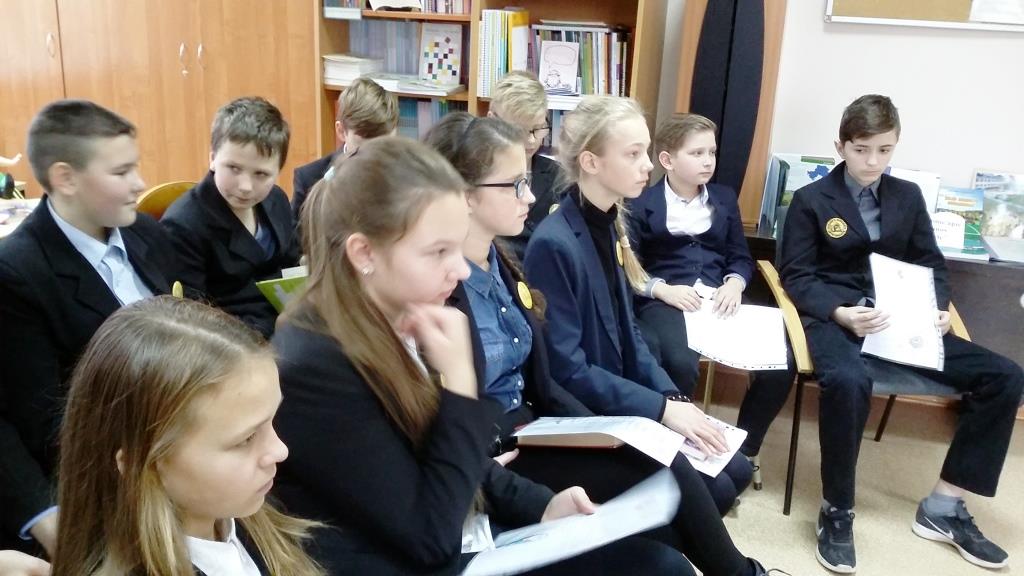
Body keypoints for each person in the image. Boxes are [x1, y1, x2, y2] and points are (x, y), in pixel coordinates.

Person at [271, 136, 692, 575]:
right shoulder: (316, 362)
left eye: (457, 248)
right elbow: (430, 537)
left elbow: (448, 454)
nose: (459, 270)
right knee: (656, 568)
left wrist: (543, 505)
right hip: (401, 557)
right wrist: (460, 386)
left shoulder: (400, 311)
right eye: (438, 252)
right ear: (364, 253)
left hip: (448, 526)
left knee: (657, 556)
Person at [426, 111, 781, 576]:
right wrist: (637, 420)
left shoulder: (500, 260)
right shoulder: (452, 282)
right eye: (515, 185)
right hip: (503, 448)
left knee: (691, 491)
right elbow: (460, 410)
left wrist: (617, 429)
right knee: (673, 490)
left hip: (536, 425)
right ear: (465, 195)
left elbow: (562, 370)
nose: (530, 196)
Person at [779, 94, 1023, 573]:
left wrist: (936, 308)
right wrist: (841, 313)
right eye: (861, 149)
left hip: (902, 320)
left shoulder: (907, 197)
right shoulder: (810, 201)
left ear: (895, 147)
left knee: (1006, 376)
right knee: (848, 380)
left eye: (884, 150)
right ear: (840, 146)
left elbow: (930, 262)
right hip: (837, 319)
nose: (873, 161)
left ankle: (944, 507)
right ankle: (837, 510)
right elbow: (797, 275)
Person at [523, 95, 754, 515]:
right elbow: (568, 371)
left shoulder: (610, 220)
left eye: (646, 152)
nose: (648, 165)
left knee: (735, 469)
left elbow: (628, 333)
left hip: (622, 390)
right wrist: (659, 410)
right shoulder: (555, 244)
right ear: (591, 162)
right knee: (717, 489)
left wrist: (671, 398)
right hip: (588, 410)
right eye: (633, 154)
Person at [0, 100, 180, 556]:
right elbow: (43, 422)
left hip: (181, 432)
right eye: (121, 172)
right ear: (66, 178)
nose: (140, 183)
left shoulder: (145, 234)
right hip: (110, 469)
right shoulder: (19, 273)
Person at [52, 296, 323, 575]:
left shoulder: (242, 518)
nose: (280, 450)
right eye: (246, 439)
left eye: (272, 420)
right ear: (139, 465)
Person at [628, 112, 794, 461]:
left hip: (718, 297)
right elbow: (630, 267)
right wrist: (662, 289)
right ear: (667, 160)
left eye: (712, 152)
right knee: (679, 361)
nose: (708, 161)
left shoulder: (723, 197)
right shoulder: (641, 204)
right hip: (668, 300)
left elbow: (740, 256)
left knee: (781, 362)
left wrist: (735, 283)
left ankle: (745, 449)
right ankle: (678, 445)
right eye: (697, 153)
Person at [162, 96, 300, 338]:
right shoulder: (183, 225)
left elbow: (290, 264)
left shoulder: (276, 199)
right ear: (212, 159)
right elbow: (192, 318)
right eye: (233, 168)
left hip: (288, 321)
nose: (245, 186)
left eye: (261, 174)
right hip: (234, 340)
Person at [291, 76, 399, 221]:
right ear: (341, 131)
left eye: (385, 142)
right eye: (366, 141)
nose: (376, 152)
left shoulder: (410, 177)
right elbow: (298, 235)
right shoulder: (309, 179)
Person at [488, 71, 564, 259]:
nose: (531, 140)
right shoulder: (477, 175)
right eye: (520, 130)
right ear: (492, 121)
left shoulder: (559, 176)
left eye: (538, 129)